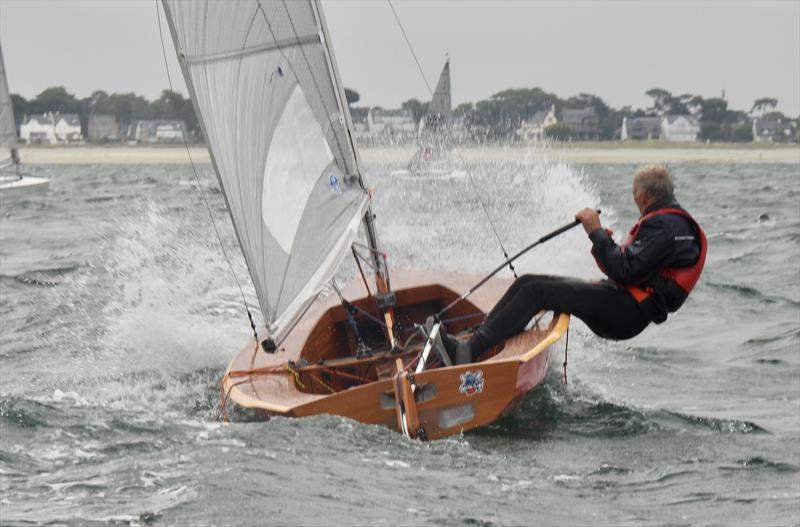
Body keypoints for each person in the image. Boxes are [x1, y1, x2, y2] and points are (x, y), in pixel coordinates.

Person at [440, 164, 707, 365]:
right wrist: (604, 243)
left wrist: (596, 233)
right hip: (624, 303)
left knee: (536, 292)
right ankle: (476, 338)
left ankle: (468, 352)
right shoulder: (671, 222)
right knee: (528, 281)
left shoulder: (664, 226)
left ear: (643, 195)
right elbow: (628, 268)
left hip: (626, 313)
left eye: (633, 193)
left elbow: (625, 271)